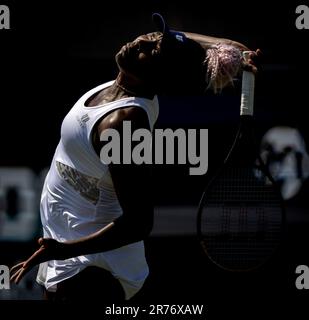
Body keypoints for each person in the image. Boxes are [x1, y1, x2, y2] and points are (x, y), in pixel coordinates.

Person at [10, 13, 260, 302]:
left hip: (94, 269)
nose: (141, 41)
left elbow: (139, 222)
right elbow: (221, 47)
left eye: (153, 49)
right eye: (152, 37)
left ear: (160, 75)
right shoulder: (122, 87)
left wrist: (64, 250)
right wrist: (238, 54)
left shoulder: (123, 124)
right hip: (71, 250)